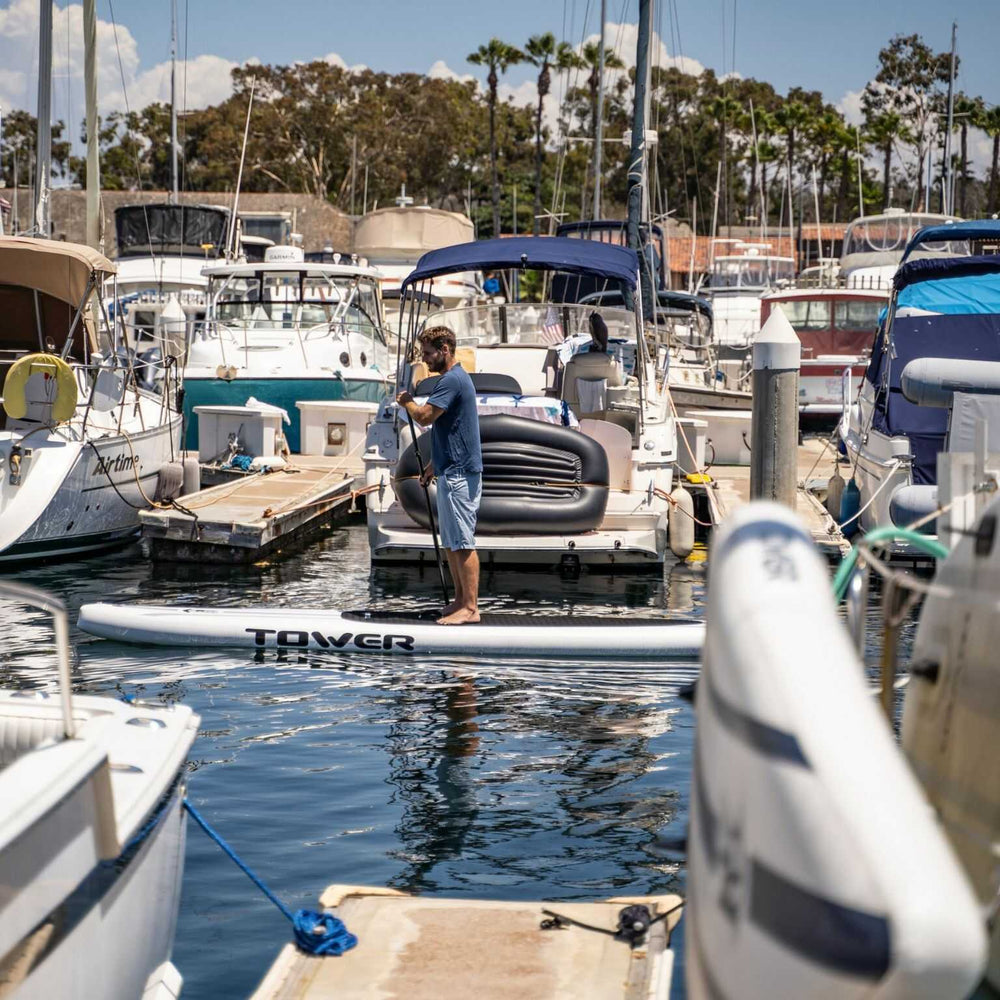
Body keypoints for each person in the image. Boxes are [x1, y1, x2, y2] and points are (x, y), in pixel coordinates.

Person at [396, 327, 482, 625]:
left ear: (445, 350)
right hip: (449, 469)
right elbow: (452, 430)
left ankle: (471, 608)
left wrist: (407, 400)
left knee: (462, 542)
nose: (426, 360)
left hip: (460, 474)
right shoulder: (451, 380)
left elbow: (425, 416)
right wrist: (432, 466)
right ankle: (460, 601)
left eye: (429, 353)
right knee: (451, 541)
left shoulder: (453, 380)